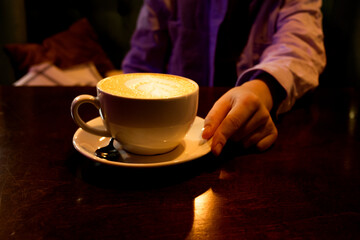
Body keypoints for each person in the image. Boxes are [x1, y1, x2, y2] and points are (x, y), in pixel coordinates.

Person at [121, 0, 326, 156]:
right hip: (164, 132)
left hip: (247, 142)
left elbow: (301, 47)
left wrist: (261, 89)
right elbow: (141, 61)